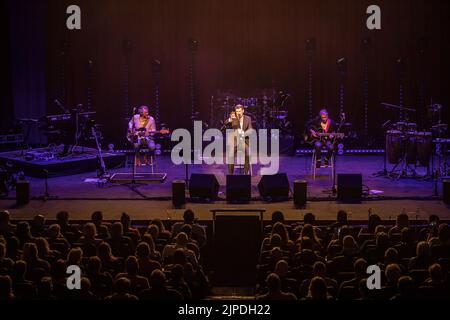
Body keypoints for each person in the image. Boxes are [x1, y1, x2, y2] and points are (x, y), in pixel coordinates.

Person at [226, 104, 253, 175]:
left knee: (248, 154)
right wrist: (230, 120)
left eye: (239, 111)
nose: (238, 113)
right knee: (230, 155)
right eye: (237, 111)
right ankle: (231, 174)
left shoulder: (248, 118)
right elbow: (225, 123)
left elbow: (250, 130)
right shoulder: (233, 118)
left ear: (243, 111)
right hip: (234, 141)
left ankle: (245, 173)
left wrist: (244, 134)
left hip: (244, 141)